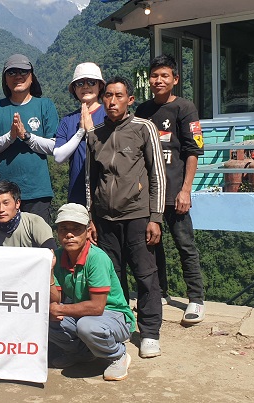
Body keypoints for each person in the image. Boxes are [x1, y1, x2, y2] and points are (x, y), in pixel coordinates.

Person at [87, 76, 167, 359]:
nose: (112, 101)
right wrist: (90, 218)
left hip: (138, 215)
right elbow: (89, 180)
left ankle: (150, 333)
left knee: (146, 275)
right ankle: (120, 326)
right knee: (113, 277)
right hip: (104, 219)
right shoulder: (94, 134)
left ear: (130, 100)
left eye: (118, 96)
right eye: (108, 96)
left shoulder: (143, 128)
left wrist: (155, 217)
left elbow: (157, 174)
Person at [134, 55, 206, 325]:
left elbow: (193, 151)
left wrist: (186, 190)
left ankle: (196, 299)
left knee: (185, 245)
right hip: (149, 194)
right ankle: (160, 293)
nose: (158, 80)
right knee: (153, 245)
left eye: (164, 75)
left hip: (175, 191)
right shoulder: (142, 110)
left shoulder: (185, 108)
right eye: (154, 76)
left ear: (175, 79)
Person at [48, 203, 136, 381]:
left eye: (76, 228)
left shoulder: (96, 258)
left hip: (115, 316)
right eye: (63, 229)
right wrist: (49, 271)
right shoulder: (58, 257)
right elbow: (56, 298)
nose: (69, 234)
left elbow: (97, 307)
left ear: (88, 231)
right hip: (85, 315)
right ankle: (82, 353)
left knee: (87, 326)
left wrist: (60, 309)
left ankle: (118, 355)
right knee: (45, 319)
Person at [0, 54, 58, 223]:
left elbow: (54, 147)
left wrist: (26, 136)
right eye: (12, 72)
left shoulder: (45, 105)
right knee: (8, 239)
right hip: (4, 194)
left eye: (23, 71)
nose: (18, 76)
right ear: (5, 79)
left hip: (37, 192)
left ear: (32, 76)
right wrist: (10, 137)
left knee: (38, 238)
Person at [54, 62, 107, 205]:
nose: (85, 86)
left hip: (106, 192)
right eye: (80, 83)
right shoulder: (67, 120)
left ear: (100, 86)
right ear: (74, 89)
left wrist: (90, 131)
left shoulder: (109, 115)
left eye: (91, 82)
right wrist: (81, 131)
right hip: (77, 194)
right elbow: (59, 157)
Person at [0, 181, 55, 249]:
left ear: (17, 203)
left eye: (6, 203)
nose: (1, 209)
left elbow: (51, 252)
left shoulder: (34, 223)